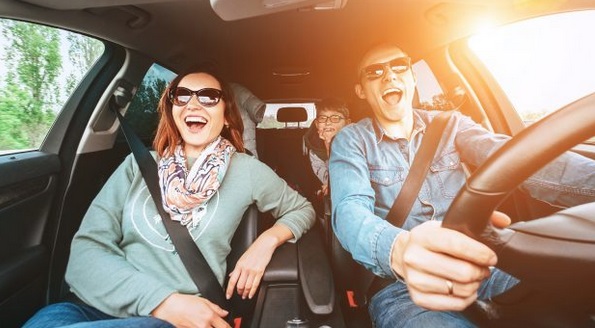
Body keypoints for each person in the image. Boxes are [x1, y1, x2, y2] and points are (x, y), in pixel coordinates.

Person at [328, 43, 595, 327]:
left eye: (399, 66)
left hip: (485, 267)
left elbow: (517, 161)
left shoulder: (450, 125)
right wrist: (401, 250)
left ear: (412, 77)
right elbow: (349, 210)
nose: (390, 76)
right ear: (361, 90)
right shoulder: (352, 140)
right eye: (375, 72)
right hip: (404, 289)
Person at [24, 68, 315, 328]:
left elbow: (302, 209)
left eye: (209, 96)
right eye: (182, 95)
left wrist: (265, 242)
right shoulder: (137, 165)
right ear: (172, 110)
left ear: (227, 116)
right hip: (89, 308)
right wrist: (161, 299)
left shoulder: (247, 170)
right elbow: (86, 253)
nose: (193, 103)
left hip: (176, 319)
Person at [303, 97, 351, 198]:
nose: (328, 122)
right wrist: (328, 144)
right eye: (322, 118)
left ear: (347, 123)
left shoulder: (359, 142)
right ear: (317, 124)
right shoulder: (315, 151)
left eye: (335, 118)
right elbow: (329, 181)